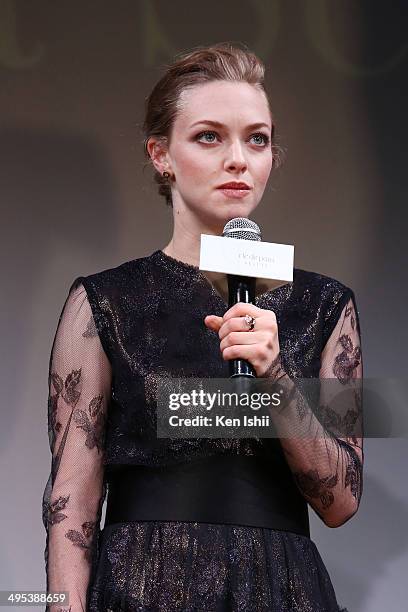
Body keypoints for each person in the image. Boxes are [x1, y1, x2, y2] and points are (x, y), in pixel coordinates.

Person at [42, 42, 363, 611]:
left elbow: (342, 502)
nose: (238, 159)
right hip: (144, 585)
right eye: (210, 136)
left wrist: (274, 376)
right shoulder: (108, 301)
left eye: (257, 139)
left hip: (279, 589)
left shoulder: (322, 303)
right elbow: (73, 495)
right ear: (161, 154)